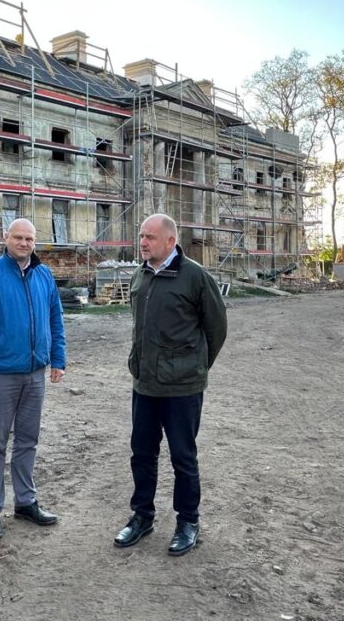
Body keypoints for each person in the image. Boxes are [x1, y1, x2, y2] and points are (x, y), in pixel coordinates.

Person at [114, 213, 227, 556]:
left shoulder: (195, 277)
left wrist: (193, 367)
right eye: (141, 236)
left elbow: (216, 329)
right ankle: (142, 516)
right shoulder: (140, 275)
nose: (143, 242)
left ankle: (188, 521)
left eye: (149, 237)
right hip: (145, 385)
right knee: (142, 454)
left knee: (183, 457)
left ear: (170, 241)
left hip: (182, 389)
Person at [0, 217, 66, 540]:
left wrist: (58, 359)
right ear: (6, 238)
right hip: (1, 374)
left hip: (35, 373)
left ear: (35, 242)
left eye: (29, 239)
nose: (24, 243)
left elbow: (55, 318)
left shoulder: (44, 274)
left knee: (28, 440)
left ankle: (26, 501)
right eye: (18, 237)